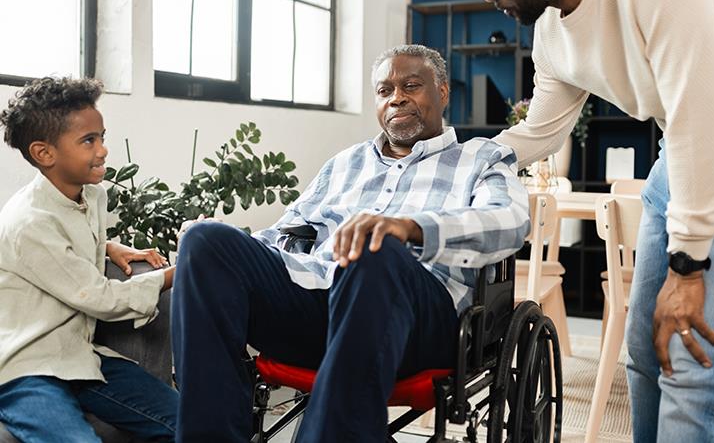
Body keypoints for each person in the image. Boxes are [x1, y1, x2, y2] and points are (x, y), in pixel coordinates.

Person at [462, 0, 714, 440]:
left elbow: (699, 115)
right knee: (642, 353)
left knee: (692, 365)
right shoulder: (551, 30)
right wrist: (464, 158)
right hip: (678, 162)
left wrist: (689, 271)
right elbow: (542, 127)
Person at [171, 44, 530, 442]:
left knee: (374, 247)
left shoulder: (480, 157)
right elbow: (284, 233)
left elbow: (511, 221)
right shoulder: (345, 163)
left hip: (421, 314)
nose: (396, 97)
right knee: (206, 241)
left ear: (442, 92)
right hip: (320, 300)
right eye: (384, 90)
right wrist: (218, 257)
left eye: (411, 85)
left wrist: (409, 227)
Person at [0, 77, 178, 442]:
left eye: (101, 136)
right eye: (88, 141)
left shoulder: (92, 196)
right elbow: (100, 298)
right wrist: (174, 274)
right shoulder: (29, 221)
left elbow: (65, 240)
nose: (103, 150)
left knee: (190, 423)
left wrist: (108, 245)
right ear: (44, 153)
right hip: (27, 368)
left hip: (81, 357)